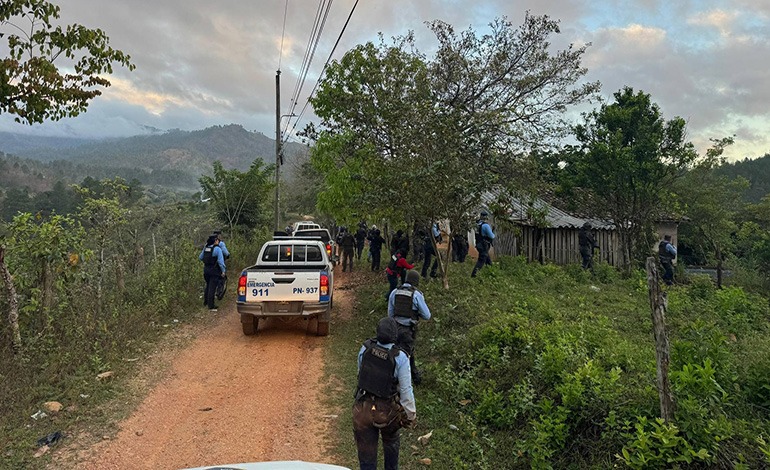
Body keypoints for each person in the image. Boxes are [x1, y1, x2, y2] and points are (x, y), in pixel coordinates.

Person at [353, 317, 416, 470]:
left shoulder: (365, 348)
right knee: (391, 447)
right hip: (388, 412)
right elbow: (406, 390)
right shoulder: (400, 357)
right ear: (395, 334)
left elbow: (360, 373)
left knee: (366, 456)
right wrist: (411, 414)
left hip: (363, 408)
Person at [388, 270, 431, 385]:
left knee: (395, 353)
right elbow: (427, 315)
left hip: (395, 328)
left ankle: (395, 376)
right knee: (406, 356)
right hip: (408, 330)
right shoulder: (417, 295)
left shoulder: (395, 292)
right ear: (416, 282)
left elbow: (390, 314)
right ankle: (402, 381)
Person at [199, 235, 226, 311]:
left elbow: (200, 257)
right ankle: (211, 305)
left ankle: (206, 302)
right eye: (217, 240)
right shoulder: (217, 249)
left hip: (206, 270)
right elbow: (221, 262)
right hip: (214, 271)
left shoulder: (206, 248)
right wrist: (223, 271)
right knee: (212, 287)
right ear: (215, 241)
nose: (218, 241)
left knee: (208, 285)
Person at [471, 211, 495, 277]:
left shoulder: (477, 224)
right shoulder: (485, 225)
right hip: (484, 245)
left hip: (478, 243)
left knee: (488, 260)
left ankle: (492, 273)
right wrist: (493, 232)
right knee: (481, 261)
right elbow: (492, 236)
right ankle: (473, 276)